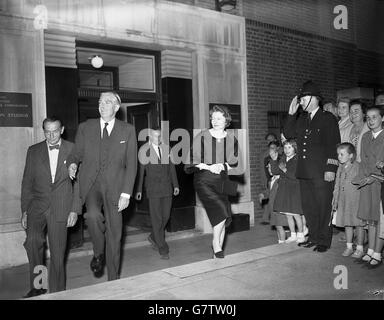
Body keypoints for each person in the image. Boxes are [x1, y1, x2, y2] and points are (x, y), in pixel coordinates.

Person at [67, 91, 137, 280]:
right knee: (92, 215)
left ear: (116, 107)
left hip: (116, 187)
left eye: (108, 102)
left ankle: (113, 280)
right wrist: (72, 163)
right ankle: (98, 252)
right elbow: (76, 153)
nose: (102, 105)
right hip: (92, 185)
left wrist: (126, 194)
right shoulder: (85, 127)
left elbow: (132, 164)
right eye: (100, 102)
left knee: (115, 235)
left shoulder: (128, 130)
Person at [21, 117, 81, 298]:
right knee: (33, 242)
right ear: (43, 131)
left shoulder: (73, 149)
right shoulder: (33, 151)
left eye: (55, 130)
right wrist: (24, 210)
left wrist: (75, 209)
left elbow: (78, 183)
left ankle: (58, 292)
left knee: (57, 252)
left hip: (62, 206)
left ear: (62, 130)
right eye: (47, 131)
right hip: (37, 206)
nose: (51, 135)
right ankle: (38, 286)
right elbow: (27, 182)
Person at [283, 80, 341, 253]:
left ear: (314, 98)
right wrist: (291, 114)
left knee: (323, 207)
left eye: (303, 97)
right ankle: (314, 237)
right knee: (309, 207)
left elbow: (333, 145)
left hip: (322, 172)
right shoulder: (301, 119)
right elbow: (288, 134)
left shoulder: (327, 118)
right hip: (305, 172)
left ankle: (324, 240)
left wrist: (331, 168)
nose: (300, 101)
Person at [184, 105, 243, 258]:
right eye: (212, 118)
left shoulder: (231, 139)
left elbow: (237, 165)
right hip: (204, 180)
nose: (214, 121)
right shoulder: (202, 136)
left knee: (225, 216)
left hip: (222, 181)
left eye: (218, 118)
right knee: (221, 212)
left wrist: (222, 165)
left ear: (226, 120)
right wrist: (209, 167)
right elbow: (190, 160)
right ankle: (215, 243)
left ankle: (217, 254)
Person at [135, 128, 180, 260]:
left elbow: (172, 168)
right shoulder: (144, 151)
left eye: (160, 136)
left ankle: (154, 236)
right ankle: (162, 247)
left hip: (167, 188)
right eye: (155, 136)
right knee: (157, 218)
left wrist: (176, 185)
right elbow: (141, 172)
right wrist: (139, 190)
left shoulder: (167, 149)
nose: (158, 139)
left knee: (165, 216)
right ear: (150, 136)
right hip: (153, 189)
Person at [352, 106, 384, 266]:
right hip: (367, 181)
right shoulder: (365, 137)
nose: (371, 121)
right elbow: (363, 160)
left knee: (378, 218)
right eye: (369, 118)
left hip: (379, 181)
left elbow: (380, 162)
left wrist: (374, 176)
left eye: (375, 117)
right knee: (370, 218)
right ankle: (370, 249)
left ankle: (377, 253)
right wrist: (363, 177)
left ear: (382, 119)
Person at [331, 143, 365, 258]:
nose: (339, 157)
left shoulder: (357, 167)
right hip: (343, 200)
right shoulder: (340, 167)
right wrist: (335, 198)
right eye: (338, 154)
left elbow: (362, 182)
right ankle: (349, 246)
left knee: (359, 224)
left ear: (351, 155)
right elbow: (337, 184)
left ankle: (360, 248)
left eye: (342, 154)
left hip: (355, 200)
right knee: (347, 224)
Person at [270, 139, 306, 243]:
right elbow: (275, 171)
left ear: (295, 148)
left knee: (296, 213)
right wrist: (274, 160)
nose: (287, 150)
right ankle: (293, 234)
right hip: (284, 189)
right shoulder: (283, 158)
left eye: (289, 147)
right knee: (288, 214)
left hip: (294, 189)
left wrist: (285, 170)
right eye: (285, 147)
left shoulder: (298, 159)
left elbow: (295, 176)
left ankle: (301, 233)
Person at [260, 140, 280, 224]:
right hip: (271, 180)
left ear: (277, 148)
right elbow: (266, 171)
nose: (270, 150)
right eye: (270, 148)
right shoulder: (267, 159)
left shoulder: (280, 159)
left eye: (273, 148)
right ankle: (266, 218)